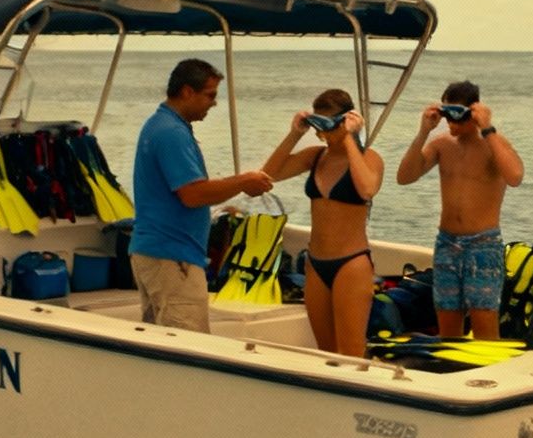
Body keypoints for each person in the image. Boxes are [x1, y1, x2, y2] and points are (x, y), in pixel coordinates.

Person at [128, 58, 274, 333]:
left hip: (153, 251)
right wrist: (243, 181)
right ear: (187, 92)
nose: (214, 103)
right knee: (187, 346)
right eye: (210, 95)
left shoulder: (158, 125)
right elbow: (193, 195)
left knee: (158, 343)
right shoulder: (172, 133)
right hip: (172, 257)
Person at [395, 80, 524, 339]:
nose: (451, 124)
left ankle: (489, 375)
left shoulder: (493, 144)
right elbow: (405, 176)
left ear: (473, 113)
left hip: (482, 245)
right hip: (447, 243)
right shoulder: (442, 145)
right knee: (447, 322)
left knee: (484, 322)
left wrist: (487, 128)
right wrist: (423, 132)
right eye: (447, 116)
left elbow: (515, 176)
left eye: (458, 116)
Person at [261, 89, 383, 358]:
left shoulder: (369, 158)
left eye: (327, 126)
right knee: (326, 353)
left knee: (351, 353)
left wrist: (351, 138)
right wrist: (295, 133)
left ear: (346, 121)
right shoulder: (315, 156)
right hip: (316, 265)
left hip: (351, 264)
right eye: (318, 126)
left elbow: (366, 189)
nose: (322, 134)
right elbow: (268, 175)